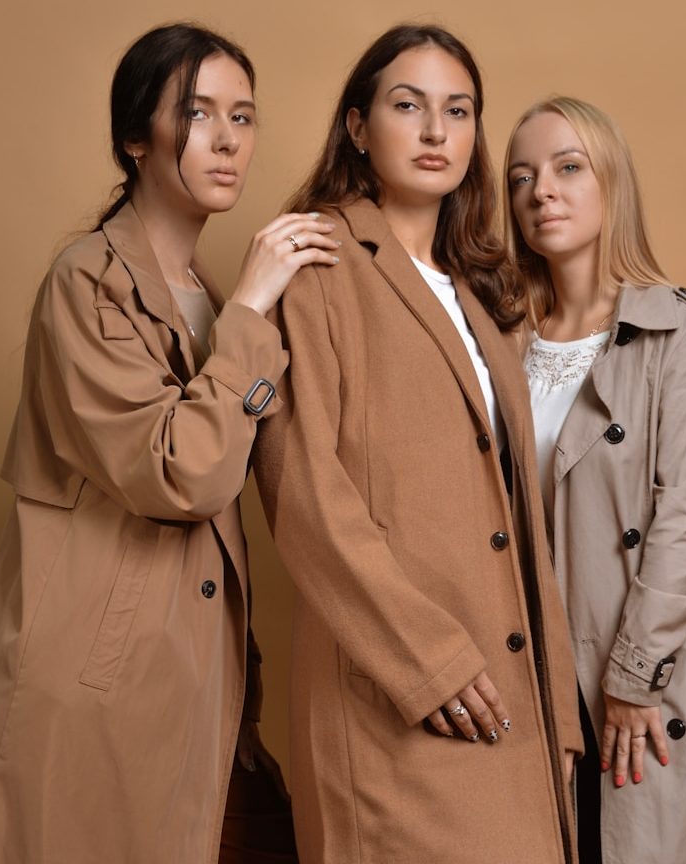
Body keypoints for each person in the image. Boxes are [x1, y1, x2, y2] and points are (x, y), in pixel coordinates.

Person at [0, 23, 338, 864]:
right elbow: (184, 477)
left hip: (190, 683)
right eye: (196, 112)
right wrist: (253, 311)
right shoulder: (88, 282)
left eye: (242, 115)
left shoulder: (210, 299)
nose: (227, 139)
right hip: (93, 684)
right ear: (135, 138)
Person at [252, 24, 581, 864]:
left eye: (458, 111)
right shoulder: (319, 260)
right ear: (358, 127)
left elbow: (518, 514)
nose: (437, 131)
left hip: (515, 700)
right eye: (409, 106)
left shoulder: (480, 289)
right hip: (401, 691)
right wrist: (426, 660)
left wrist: (559, 709)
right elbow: (301, 486)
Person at [505, 95, 686, 864]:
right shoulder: (498, 342)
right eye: (522, 177)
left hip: (650, 662)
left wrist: (634, 677)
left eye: (568, 167)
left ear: (611, 182)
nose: (542, 191)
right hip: (532, 667)